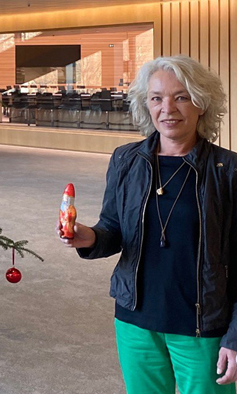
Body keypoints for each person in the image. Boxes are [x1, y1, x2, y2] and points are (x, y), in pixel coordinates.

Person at [59, 55, 237, 394]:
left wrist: (235, 337)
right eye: (156, 98)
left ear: (201, 103)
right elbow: (113, 229)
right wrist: (87, 237)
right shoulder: (126, 160)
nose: (167, 108)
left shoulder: (227, 170)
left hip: (201, 324)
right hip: (136, 319)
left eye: (181, 97)